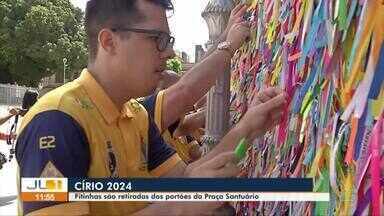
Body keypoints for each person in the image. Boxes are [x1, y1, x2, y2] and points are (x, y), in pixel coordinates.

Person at [15, 1, 286, 215]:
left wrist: (249, 127)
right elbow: (182, 198)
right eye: (158, 39)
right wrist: (179, 207)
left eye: (168, 40)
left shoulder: (137, 115)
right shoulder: (57, 121)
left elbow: (184, 182)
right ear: (109, 41)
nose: (168, 52)